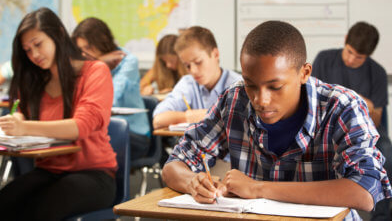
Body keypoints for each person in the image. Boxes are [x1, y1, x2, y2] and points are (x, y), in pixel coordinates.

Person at [161, 21, 392, 220]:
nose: (261, 99)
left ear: (304, 73)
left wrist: (258, 188)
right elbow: (174, 164)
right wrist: (193, 182)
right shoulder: (234, 100)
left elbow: (364, 192)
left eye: (275, 86)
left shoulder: (342, 107)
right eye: (251, 84)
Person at [0, 7, 117, 220]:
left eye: (38, 44)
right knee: (6, 202)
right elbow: (21, 113)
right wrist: (17, 120)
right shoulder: (35, 79)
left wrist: (24, 127)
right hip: (49, 171)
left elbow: (80, 126)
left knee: (40, 209)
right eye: (27, 50)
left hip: (94, 175)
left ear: (59, 35)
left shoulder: (95, 71)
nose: (34, 55)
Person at [312, 21, 392, 221]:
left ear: (369, 56)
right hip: (327, 126)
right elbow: (311, 101)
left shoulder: (378, 73)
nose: (352, 59)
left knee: (385, 150)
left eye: (359, 57)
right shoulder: (324, 59)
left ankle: (381, 216)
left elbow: (377, 120)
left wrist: (366, 104)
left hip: (364, 129)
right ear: (345, 41)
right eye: (349, 52)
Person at [72, 17, 150, 160]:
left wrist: (98, 66)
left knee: (90, 144)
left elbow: (109, 100)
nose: (84, 55)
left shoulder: (128, 61)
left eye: (88, 48)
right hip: (101, 131)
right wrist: (99, 63)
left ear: (102, 41)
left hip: (133, 133)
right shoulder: (85, 65)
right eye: (80, 50)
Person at [153, 26, 242, 129]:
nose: (193, 71)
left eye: (198, 62)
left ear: (215, 54)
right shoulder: (188, 83)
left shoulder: (238, 85)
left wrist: (208, 114)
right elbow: (158, 120)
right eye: (187, 65)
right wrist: (188, 116)